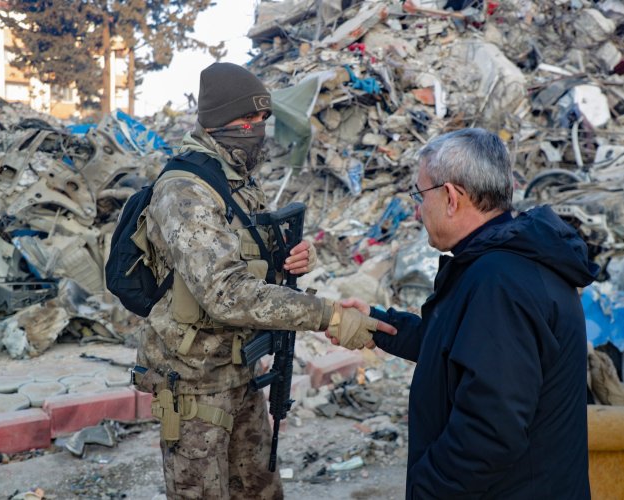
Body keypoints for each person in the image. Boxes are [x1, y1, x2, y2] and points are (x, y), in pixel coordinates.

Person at [134, 62, 394, 499]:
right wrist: (326, 316)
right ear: (219, 124)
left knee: (260, 489)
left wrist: (289, 260)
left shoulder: (235, 180)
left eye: (262, 121)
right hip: (195, 380)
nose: (257, 130)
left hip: (238, 367)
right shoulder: (186, 192)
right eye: (247, 121)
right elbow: (225, 292)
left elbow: (250, 260)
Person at [331, 128, 598, 499]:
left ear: (452, 197)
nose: (417, 208)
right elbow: (459, 346)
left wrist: (427, 487)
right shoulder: (500, 263)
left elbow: (490, 430)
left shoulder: (500, 282)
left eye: (420, 195)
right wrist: (379, 323)